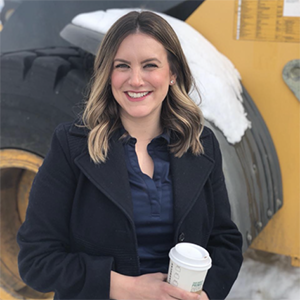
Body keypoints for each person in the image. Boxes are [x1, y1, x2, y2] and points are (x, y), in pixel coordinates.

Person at [17, 11, 243, 300]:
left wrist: (206, 294)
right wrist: (128, 289)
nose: (136, 80)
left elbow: (225, 242)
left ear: (172, 73)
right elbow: (36, 260)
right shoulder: (72, 146)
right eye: (122, 66)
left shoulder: (200, 145)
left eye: (150, 65)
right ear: (108, 74)